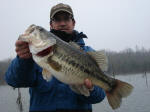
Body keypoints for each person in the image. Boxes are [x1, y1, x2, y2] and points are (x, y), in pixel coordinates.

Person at [5, 3, 105, 112]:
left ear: (73, 23)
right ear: (51, 24)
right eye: (57, 19)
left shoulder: (88, 53)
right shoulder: (32, 56)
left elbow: (99, 96)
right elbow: (14, 81)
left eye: (66, 19)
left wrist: (90, 89)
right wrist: (24, 60)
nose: (62, 23)